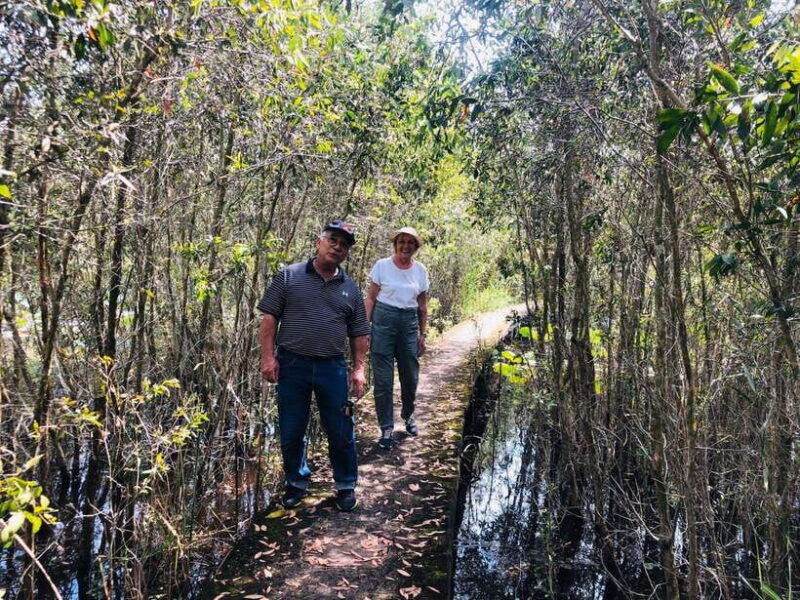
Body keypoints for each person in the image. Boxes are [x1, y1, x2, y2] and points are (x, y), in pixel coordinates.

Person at [258, 220, 369, 511]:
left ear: (347, 254)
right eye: (332, 240)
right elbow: (269, 318)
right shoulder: (289, 276)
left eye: (344, 245)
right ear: (319, 242)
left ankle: (345, 485)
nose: (337, 247)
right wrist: (268, 358)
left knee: (341, 429)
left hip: (332, 367)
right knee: (292, 428)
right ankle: (296, 483)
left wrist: (359, 369)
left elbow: (359, 332)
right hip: (292, 364)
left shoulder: (351, 289)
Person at [365, 226, 429, 450]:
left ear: (416, 247)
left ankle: (408, 416)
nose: (405, 246)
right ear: (395, 244)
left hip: (409, 324)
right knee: (383, 381)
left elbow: (422, 306)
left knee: (410, 376)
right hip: (383, 321)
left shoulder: (420, 270)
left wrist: (423, 334)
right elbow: (371, 299)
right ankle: (386, 428)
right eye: (401, 242)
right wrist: (366, 329)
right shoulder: (382, 266)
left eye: (410, 243)